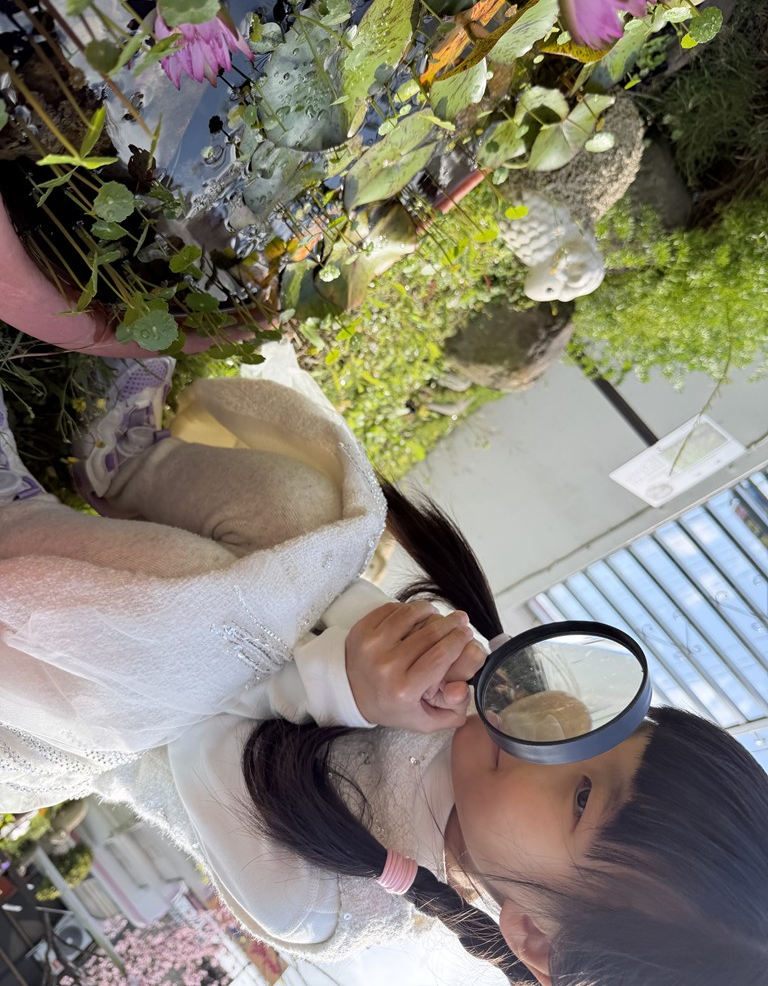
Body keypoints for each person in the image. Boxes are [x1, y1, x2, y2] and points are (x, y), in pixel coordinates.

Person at [1, 349, 766, 986]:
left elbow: (199, 733)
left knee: (196, 620)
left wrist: (341, 690)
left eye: (584, 795)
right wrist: (404, 645)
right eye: (621, 727)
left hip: (107, 707)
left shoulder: (329, 902)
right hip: (240, 639)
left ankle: (14, 522)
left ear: (535, 937)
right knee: (302, 517)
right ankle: (128, 463)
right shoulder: (502, 726)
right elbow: (330, 607)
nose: (564, 726)